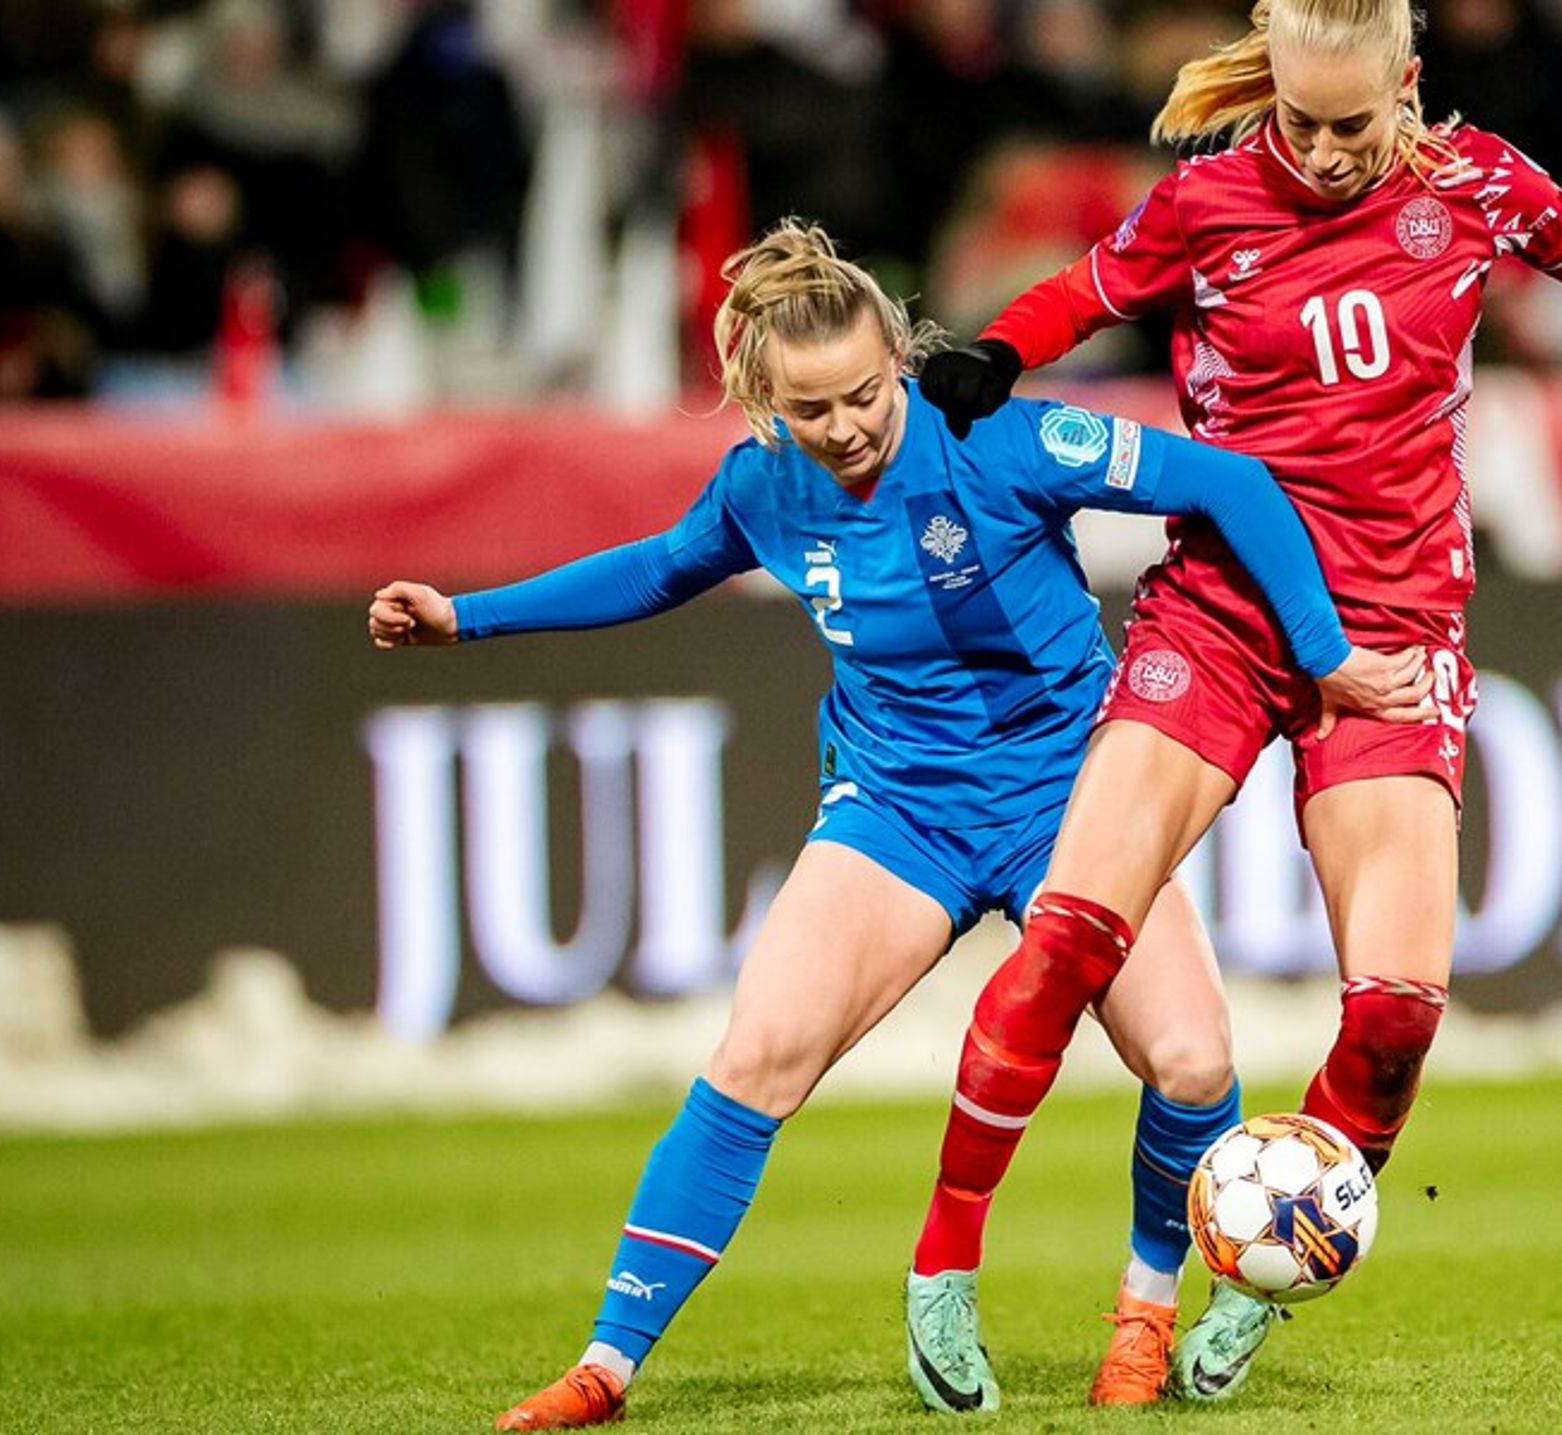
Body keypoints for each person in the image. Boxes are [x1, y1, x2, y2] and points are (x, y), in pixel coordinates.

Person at [900, 0, 1562, 1409]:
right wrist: (999, 351)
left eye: (1348, 122)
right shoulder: (1205, 198)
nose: (1316, 150)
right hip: (1223, 611)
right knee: (1071, 931)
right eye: (1295, 121)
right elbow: (1083, 291)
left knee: (1394, 1020)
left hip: (1392, 633)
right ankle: (943, 1271)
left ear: (1409, 87)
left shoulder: (1478, 184)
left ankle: (1266, 1262)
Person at [365, 216, 1429, 1430]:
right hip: (899, 810)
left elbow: (1229, 481)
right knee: (755, 1056)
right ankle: (606, 1365)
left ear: (898, 360)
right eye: (812, 410)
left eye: (866, 394)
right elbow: (660, 567)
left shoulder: (998, 436)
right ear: (765, 403)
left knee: (1191, 1062)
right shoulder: (760, 483)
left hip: (1070, 795)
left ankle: (1140, 1316)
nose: (849, 427)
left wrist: (1325, 654)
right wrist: (466, 616)